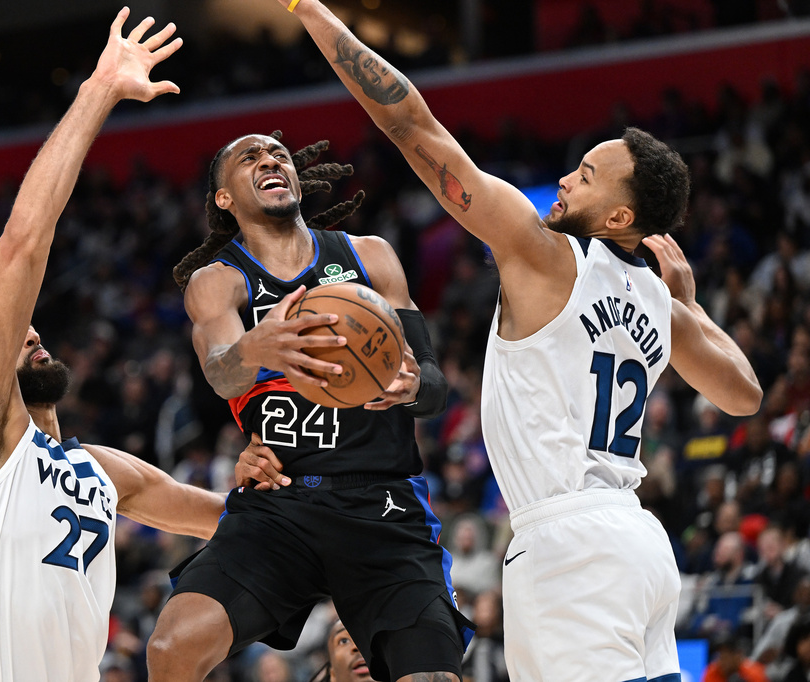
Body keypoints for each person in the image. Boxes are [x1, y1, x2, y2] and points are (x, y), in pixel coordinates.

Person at [275, 1, 763, 680]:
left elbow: (411, 122)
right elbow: (743, 394)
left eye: (586, 175)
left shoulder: (544, 254)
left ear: (620, 215)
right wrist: (689, 303)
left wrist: (311, 11)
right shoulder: (661, 303)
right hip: (639, 543)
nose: (565, 178)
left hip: (571, 547)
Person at [0, 11, 267, 681]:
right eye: (13, 335)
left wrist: (283, 486)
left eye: (34, 329)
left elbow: (232, 523)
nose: (31, 331)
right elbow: (23, 243)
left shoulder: (103, 472)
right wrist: (100, 90)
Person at [145, 129, 472, 680]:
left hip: (381, 503)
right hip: (280, 508)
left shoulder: (370, 256)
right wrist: (255, 346)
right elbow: (223, 376)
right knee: (171, 646)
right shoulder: (218, 282)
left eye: (277, 154)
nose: (270, 160)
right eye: (249, 158)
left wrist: (412, 386)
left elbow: (435, 385)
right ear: (224, 198)